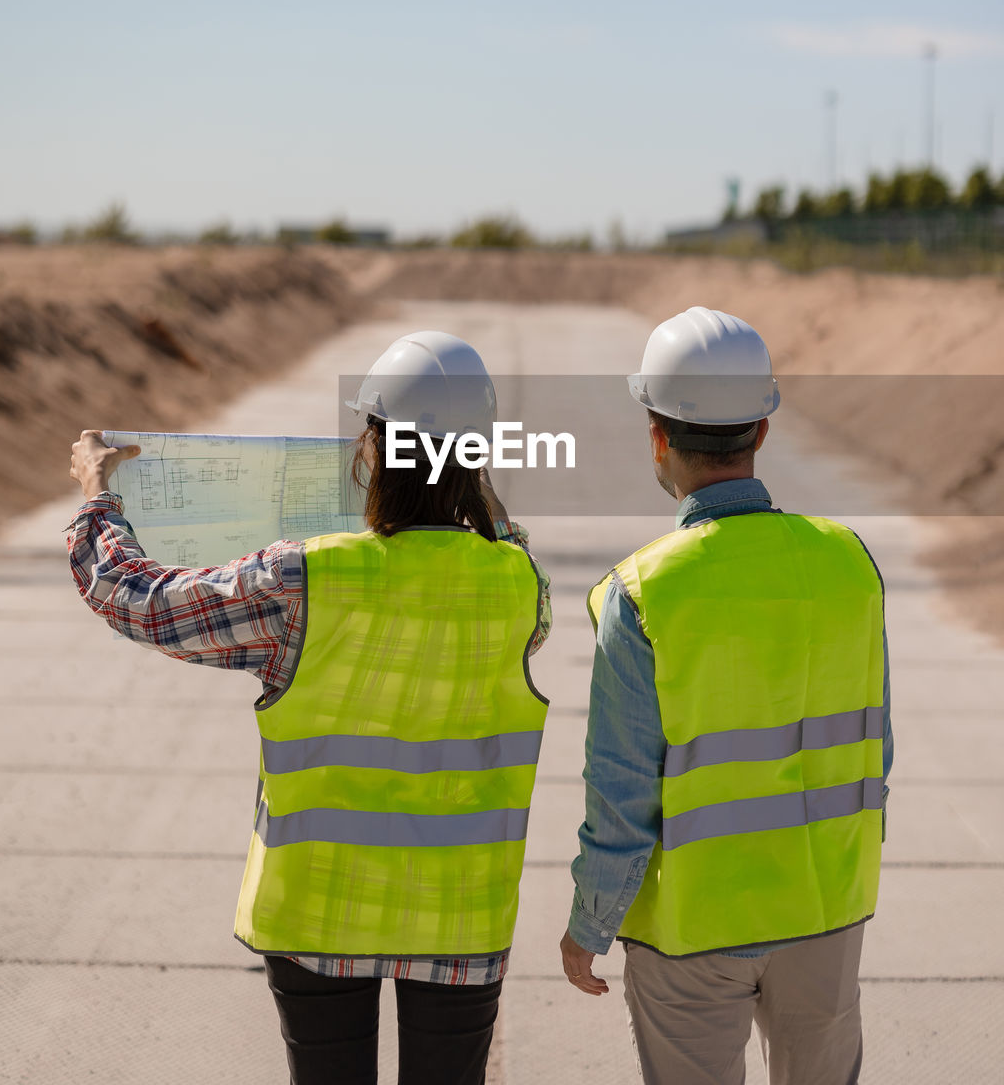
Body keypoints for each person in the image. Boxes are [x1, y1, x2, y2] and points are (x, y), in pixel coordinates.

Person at [67, 330, 551, 1085]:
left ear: (370, 449)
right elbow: (505, 544)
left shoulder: (301, 576)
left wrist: (98, 501)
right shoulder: (519, 584)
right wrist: (469, 487)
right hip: (461, 911)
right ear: (477, 456)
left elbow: (140, 602)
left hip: (317, 905)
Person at [559, 306, 893, 1085]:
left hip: (692, 932)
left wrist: (590, 926)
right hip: (825, 914)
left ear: (657, 435)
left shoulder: (642, 594)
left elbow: (622, 793)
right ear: (763, 430)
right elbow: (877, 751)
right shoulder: (849, 562)